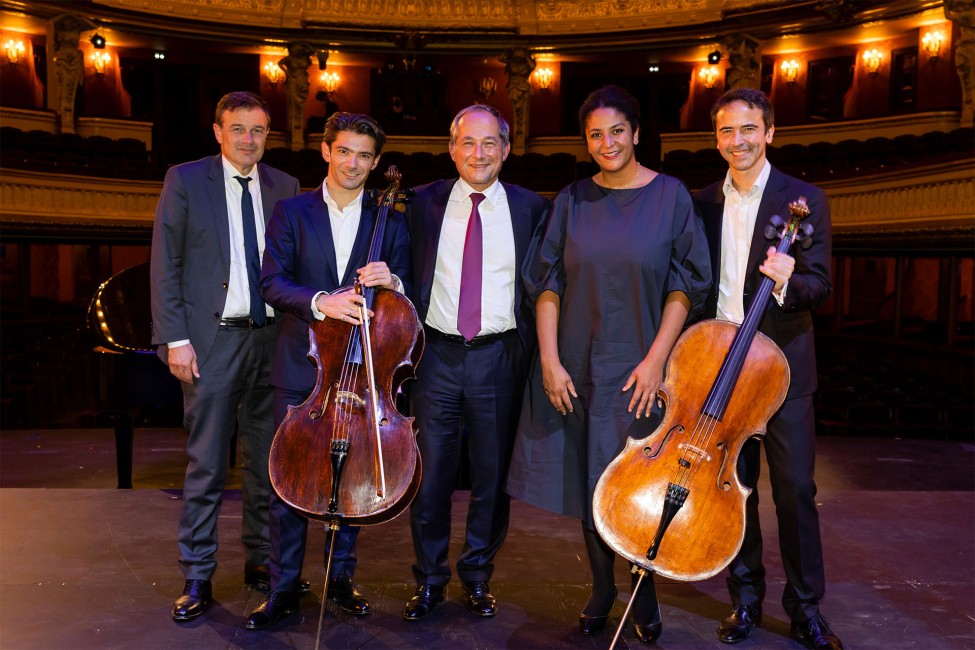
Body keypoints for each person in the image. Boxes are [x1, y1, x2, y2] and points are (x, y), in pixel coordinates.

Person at [506, 84, 711, 645]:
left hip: (645, 370)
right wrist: (549, 360)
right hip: (578, 365)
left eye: (617, 131)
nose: (607, 142)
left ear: (637, 133)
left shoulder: (671, 197)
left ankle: (642, 593)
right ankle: (602, 587)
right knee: (590, 482)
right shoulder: (571, 200)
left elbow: (687, 284)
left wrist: (656, 360)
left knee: (639, 488)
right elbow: (544, 283)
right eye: (595, 134)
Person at [244, 112, 411, 630]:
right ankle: (285, 586)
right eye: (345, 151)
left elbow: (407, 302)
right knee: (290, 482)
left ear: (375, 161)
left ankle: (341, 577)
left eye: (365, 155)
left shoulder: (393, 222)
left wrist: (394, 280)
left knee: (353, 475)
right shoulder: (292, 212)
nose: (354, 163)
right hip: (304, 368)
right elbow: (271, 282)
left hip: (363, 373)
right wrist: (321, 301)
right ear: (325, 150)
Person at [693, 88, 841, 650]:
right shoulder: (701, 201)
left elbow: (820, 285)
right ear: (717, 139)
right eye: (727, 131)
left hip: (783, 371)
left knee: (796, 490)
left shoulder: (805, 199)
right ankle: (745, 600)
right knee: (739, 490)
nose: (738, 141)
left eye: (749, 129)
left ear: (770, 132)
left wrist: (786, 282)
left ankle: (806, 609)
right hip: (723, 367)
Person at [150, 91, 301, 622]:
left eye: (258, 130)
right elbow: (165, 264)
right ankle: (197, 573)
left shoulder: (285, 186)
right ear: (218, 131)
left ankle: (262, 563)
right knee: (207, 464)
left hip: (272, 342)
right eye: (238, 129)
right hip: (209, 344)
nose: (248, 139)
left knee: (268, 465)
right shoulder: (186, 180)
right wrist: (174, 338)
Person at [402, 104, 548, 621]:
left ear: (507, 150)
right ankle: (429, 580)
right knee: (430, 478)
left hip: (500, 358)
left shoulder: (533, 208)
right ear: (451, 148)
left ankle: (478, 575)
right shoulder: (421, 203)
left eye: (490, 144)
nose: (478, 153)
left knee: (491, 479)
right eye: (467, 142)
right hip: (435, 357)